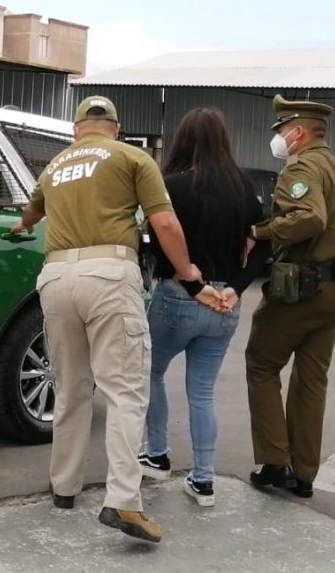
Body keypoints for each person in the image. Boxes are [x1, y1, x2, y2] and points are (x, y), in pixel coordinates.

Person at [11, 95, 203, 543]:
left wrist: (21, 228)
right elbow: (165, 223)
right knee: (124, 390)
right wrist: (188, 271)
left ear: (77, 130)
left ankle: (64, 487)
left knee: (71, 387)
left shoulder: (56, 165)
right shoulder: (133, 157)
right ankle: (123, 502)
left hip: (56, 278)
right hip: (109, 274)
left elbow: (31, 214)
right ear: (115, 128)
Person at [136, 107, 272, 507]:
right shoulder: (243, 189)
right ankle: (204, 480)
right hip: (224, 305)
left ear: (183, 140)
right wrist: (235, 287)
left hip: (180, 294)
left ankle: (157, 453)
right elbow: (264, 243)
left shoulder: (170, 186)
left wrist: (192, 282)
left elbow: (157, 239)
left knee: (151, 371)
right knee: (202, 392)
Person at [243, 94, 335, 498]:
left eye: (281, 130)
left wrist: (259, 232)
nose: (278, 138)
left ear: (296, 132)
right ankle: (305, 473)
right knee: (312, 380)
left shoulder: (303, 165)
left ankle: (275, 462)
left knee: (261, 363)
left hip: (302, 286)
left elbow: (310, 217)